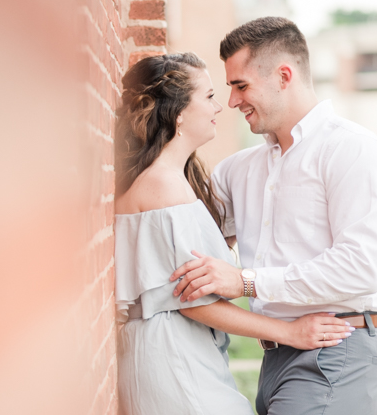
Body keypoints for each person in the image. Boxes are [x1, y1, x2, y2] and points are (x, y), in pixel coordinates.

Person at [170, 17, 377, 415]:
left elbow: (360, 267)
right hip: (276, 357)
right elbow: (191, 245)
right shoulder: (236, 171)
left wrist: (246, 282)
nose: (232, 102)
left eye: (240, 85)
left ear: (284, 76)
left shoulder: (355, 152)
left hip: (339, 348)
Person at [114, 52, 354, 415]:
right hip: (173, 361)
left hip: (182, 355)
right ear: (178, 112)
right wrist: (289, 332)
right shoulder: (163, 185)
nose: (221, 106)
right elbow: (194, 302)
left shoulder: (173, 180)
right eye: (208, 96)